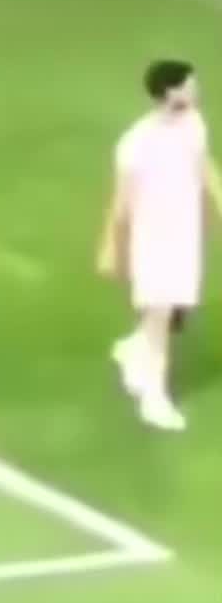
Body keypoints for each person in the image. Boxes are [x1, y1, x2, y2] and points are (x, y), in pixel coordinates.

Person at [97, 60, 222, 432]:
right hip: (153, 238)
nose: (196, 89)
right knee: (160, 316)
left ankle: (135, 351)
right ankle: (153, 398)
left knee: (172, 309)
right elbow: (121, 203)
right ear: (170, 92)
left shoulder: (193, 124)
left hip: (184, 234)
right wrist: (111, 246)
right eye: (189, 84)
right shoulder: (136, 144)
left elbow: (204, 168)